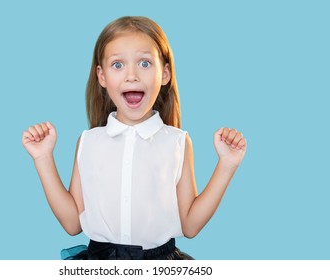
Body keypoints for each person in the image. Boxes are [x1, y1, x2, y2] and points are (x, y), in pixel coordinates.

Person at [22, 16, 247, 260]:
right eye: (118, 65)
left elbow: (190, 225)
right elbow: (72, 223)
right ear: (102, 76)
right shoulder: (89, 141)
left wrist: (227, 165)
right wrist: (43, 158)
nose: (132, 75)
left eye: (145, 63)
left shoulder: (177, 142)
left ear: (165, 73)